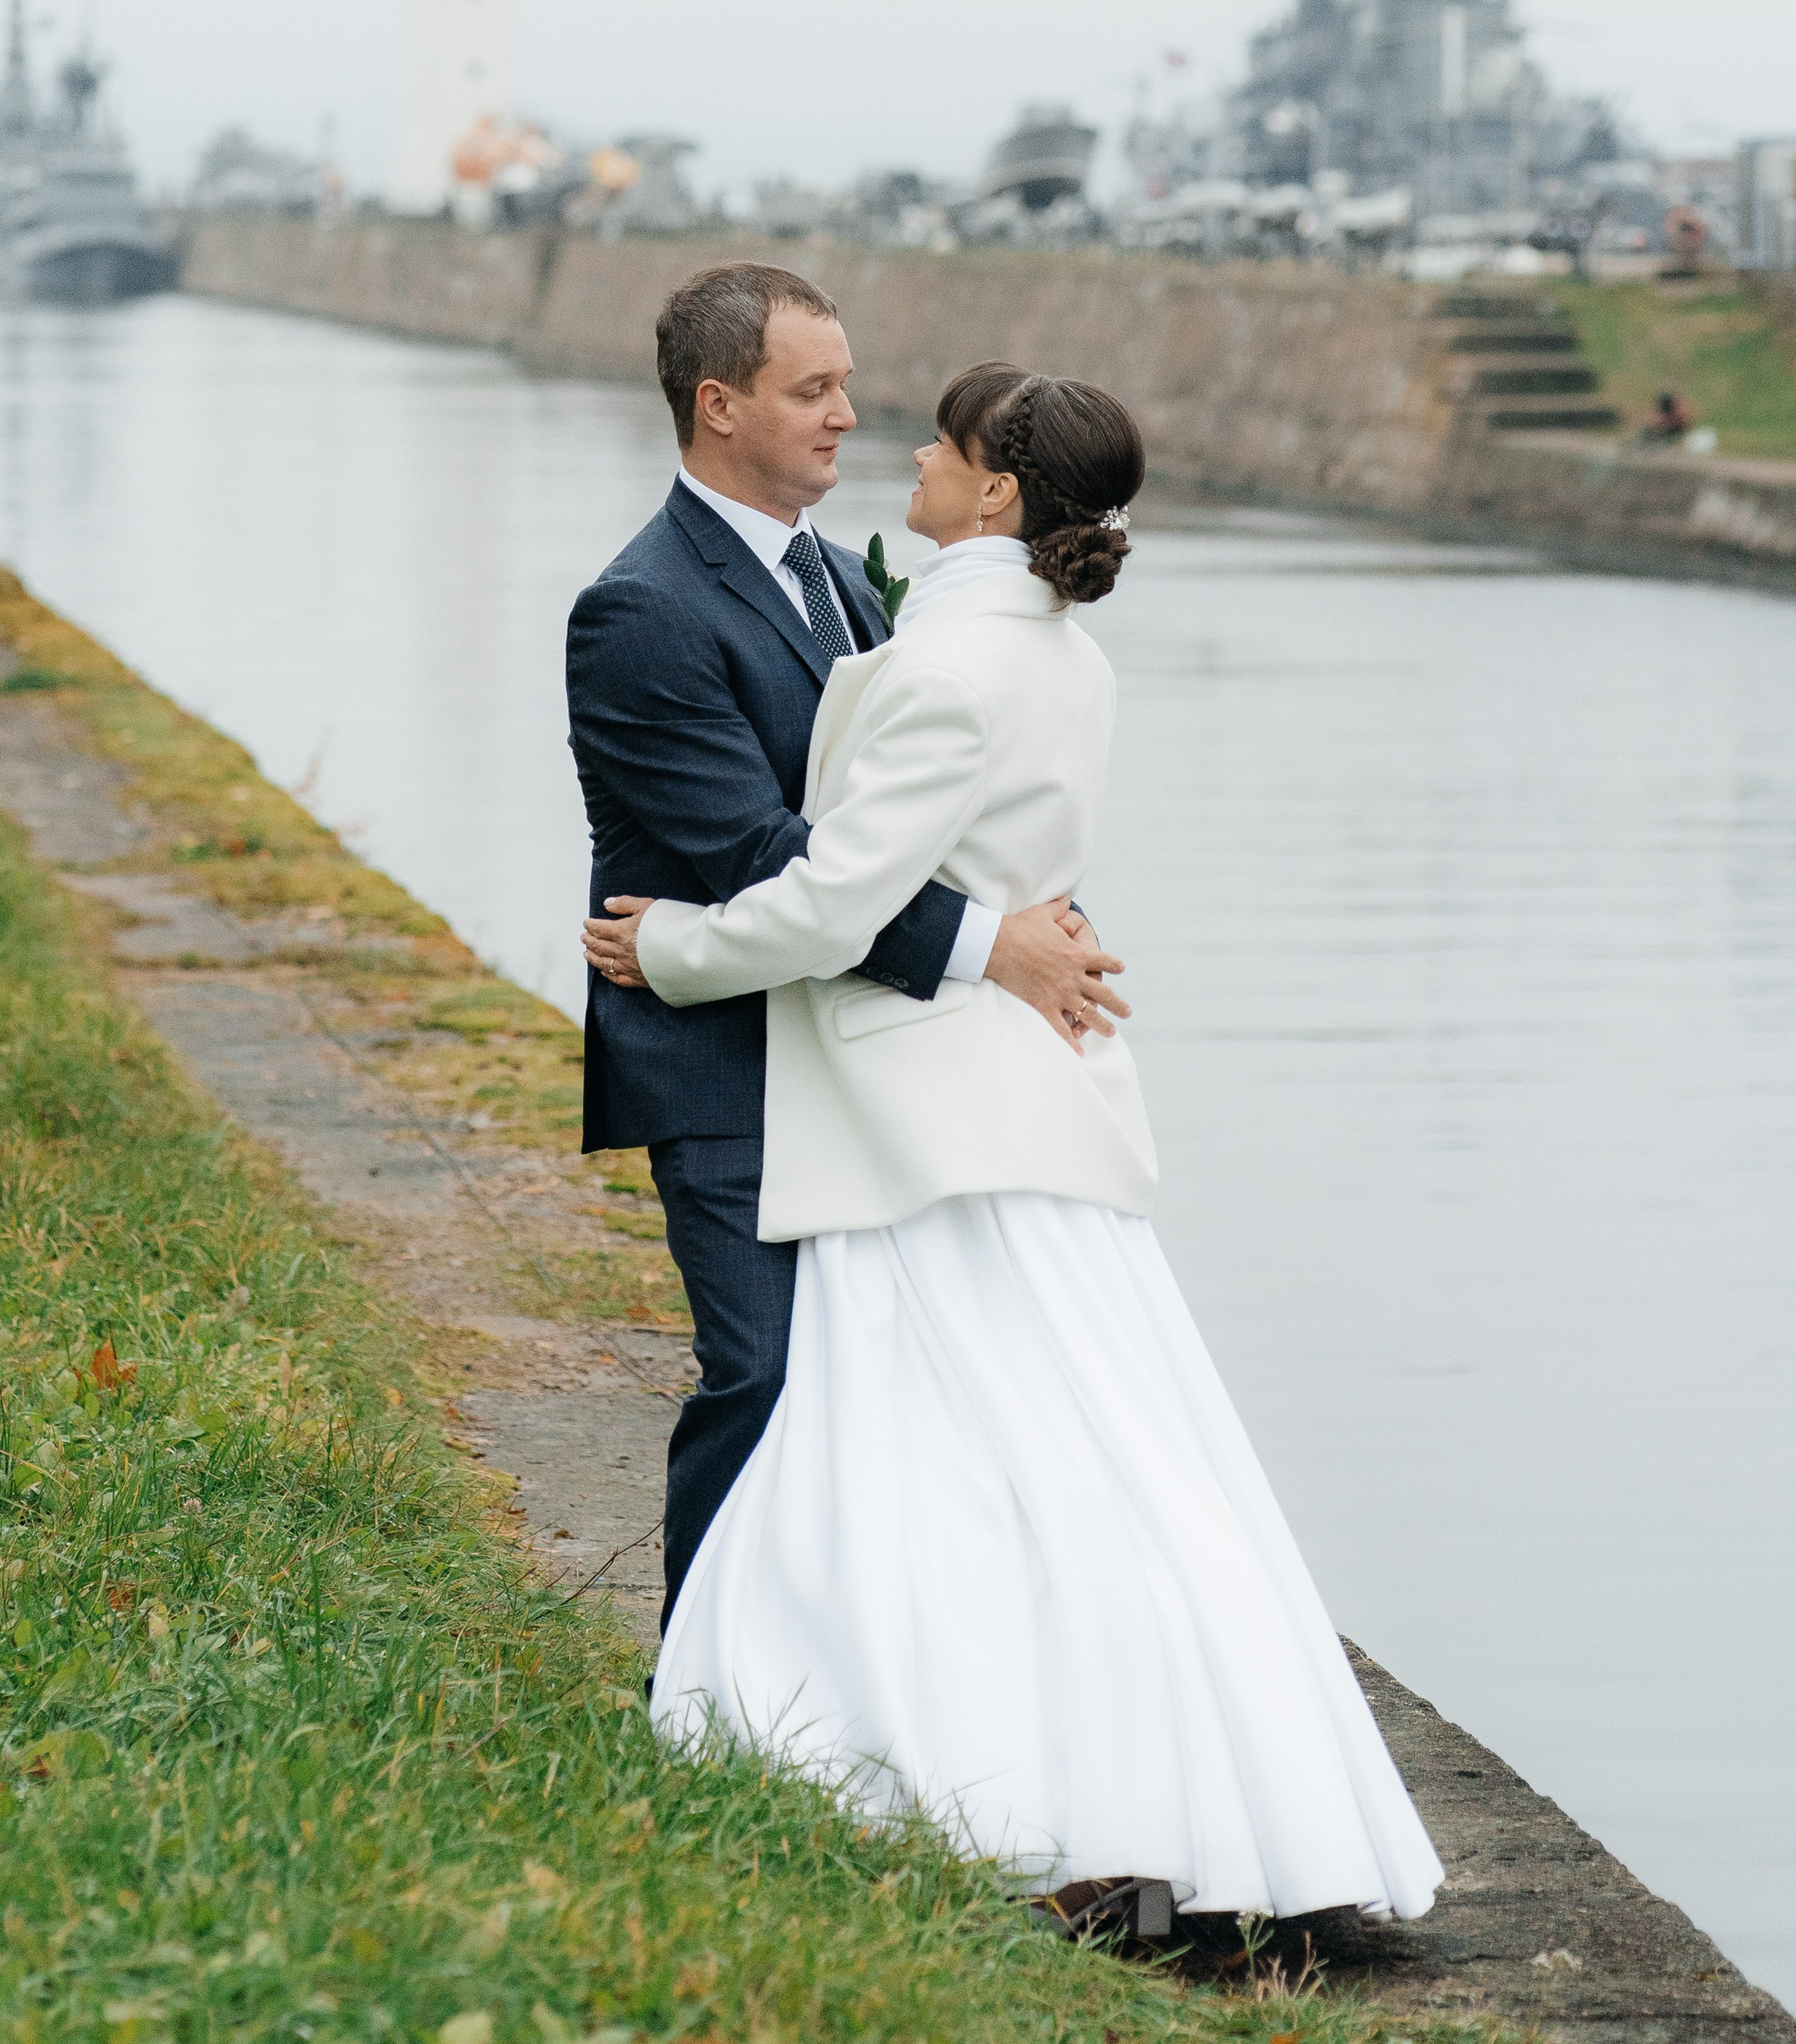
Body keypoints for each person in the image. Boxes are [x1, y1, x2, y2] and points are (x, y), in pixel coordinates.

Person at [584, 361, 1444, 1925]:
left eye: (941, 440)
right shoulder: (1056, 650)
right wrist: (1006, 936)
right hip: (1040, 1097)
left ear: (994, 496)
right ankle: (1194, 1797)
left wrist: (678, 950)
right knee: (1109, 1449)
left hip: (925, 1111)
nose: (894, 443)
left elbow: (832, 898)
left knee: (944, 1455)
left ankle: (983, 1784)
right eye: (830, 391)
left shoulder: (931, 659)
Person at [565, 264, 1128, 1631]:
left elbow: (908, 821)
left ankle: (838, 1688)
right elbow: (767, 861)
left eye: (846, 384)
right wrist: (991, 945)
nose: (846, 415)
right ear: (717, 406)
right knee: (758, 1377)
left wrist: (1019, 906)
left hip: (863, 1053)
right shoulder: (641, 610)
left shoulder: (845, 582)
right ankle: (694, 1699)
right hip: (724, 1065)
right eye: (810, 390)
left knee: (871, 1397)